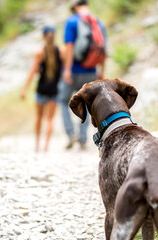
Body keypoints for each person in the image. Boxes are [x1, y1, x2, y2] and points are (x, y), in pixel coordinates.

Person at [59, 0, 107, 150]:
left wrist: (67, 70)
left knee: (63, 100)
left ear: (74, 7)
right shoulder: (98, 22)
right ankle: (82, 138)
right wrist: (101, 70)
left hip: (73, 70)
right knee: (86, 104)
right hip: (91, 70)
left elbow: (69, 47)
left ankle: (71, 134)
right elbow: (103, 48)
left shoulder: (71, 22)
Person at [21, 26, 64, 152]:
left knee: (39, 117)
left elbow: (32, 71)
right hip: (54, 90)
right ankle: (46, 146)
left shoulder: (40, 52)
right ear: (54, 36)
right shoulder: (61, 51)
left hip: (41, 90)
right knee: (50, 119)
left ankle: (37, 144)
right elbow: (64, 70)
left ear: (43, 36)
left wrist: (24, 89)